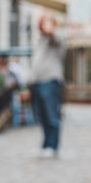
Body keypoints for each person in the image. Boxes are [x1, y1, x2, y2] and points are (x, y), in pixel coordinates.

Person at [29, 15, 65, 158]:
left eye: (47, 22)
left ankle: (53, 146)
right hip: (37, 82)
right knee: (42, 116)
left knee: (51, 115)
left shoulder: (57, 38)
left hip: (50, 81)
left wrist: (50, 27)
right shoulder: (40, 40)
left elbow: (54, 36)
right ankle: (46, 144)